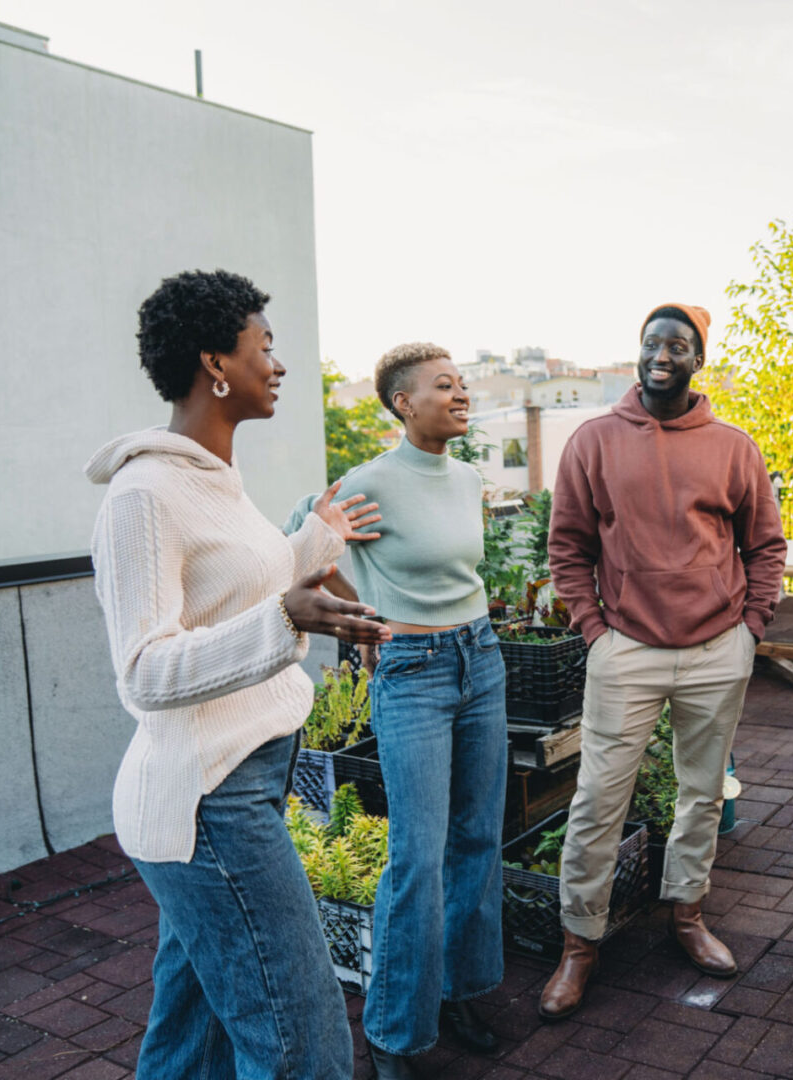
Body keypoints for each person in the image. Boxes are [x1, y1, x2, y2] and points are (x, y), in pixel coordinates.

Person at [87, 269, 391, 1079]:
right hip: (205, 802)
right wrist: (287, 617)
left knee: (190, 1044)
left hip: (236, 784)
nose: (280, 364)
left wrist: (316, 544)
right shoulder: (143, 496)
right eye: (265, 345)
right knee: (304, 1045)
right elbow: (144, 671)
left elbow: (240, 594)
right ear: (214, 362)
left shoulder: (213, 484)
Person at [539, 303, 787, 1019]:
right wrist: (593, 630)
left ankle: (687, 915)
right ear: (638, 353)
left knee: (701, 793)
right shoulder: (593, 440)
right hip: (626, 650)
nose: (662, 354)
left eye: (678, 345)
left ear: (696, 361)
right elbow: (568, 546)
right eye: (652, 343)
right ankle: (578, 942)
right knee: (596, 801)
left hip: (717, 649)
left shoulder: (733, 445)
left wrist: (751, 628)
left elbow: (764, 545)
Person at [296, 342, 508, 1078]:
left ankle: (456, 992)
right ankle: (394, 1034)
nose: (459, 394)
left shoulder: (468, 477)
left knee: (477, 838)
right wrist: (366, 618)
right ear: (402, 404)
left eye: (462, 384)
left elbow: (460, 571)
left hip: (480, 659)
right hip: (412, 674)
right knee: (416, 858)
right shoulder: (367, 482)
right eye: (442, 386)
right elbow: (306, 553)